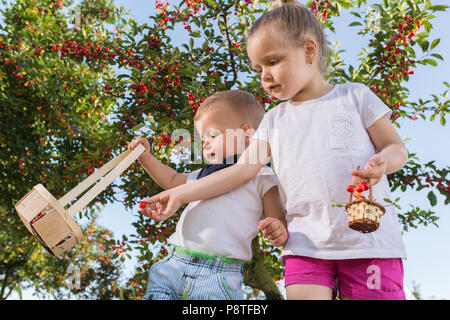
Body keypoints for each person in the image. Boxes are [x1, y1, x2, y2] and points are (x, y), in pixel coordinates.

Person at [144, 0, 409, 300]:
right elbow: (240, 171)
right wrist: (179, 193)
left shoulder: (355, 97)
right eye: (258, 68)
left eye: (272, 62)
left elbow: (395, 147)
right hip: (305, 246)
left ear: (309, 51)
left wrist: (382, 163)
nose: (264, 76)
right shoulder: (273, 120)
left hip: (369, 241)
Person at [130, 89, 287, 300]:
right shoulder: (201, 176)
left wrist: (277, 229)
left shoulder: (261, 175)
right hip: (174, 263)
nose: (204, 143)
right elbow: (171, 180)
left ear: (247, 135)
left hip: (218, 275)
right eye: (202, 138)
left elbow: (277, 218)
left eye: (212, 135)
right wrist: (147, 159)